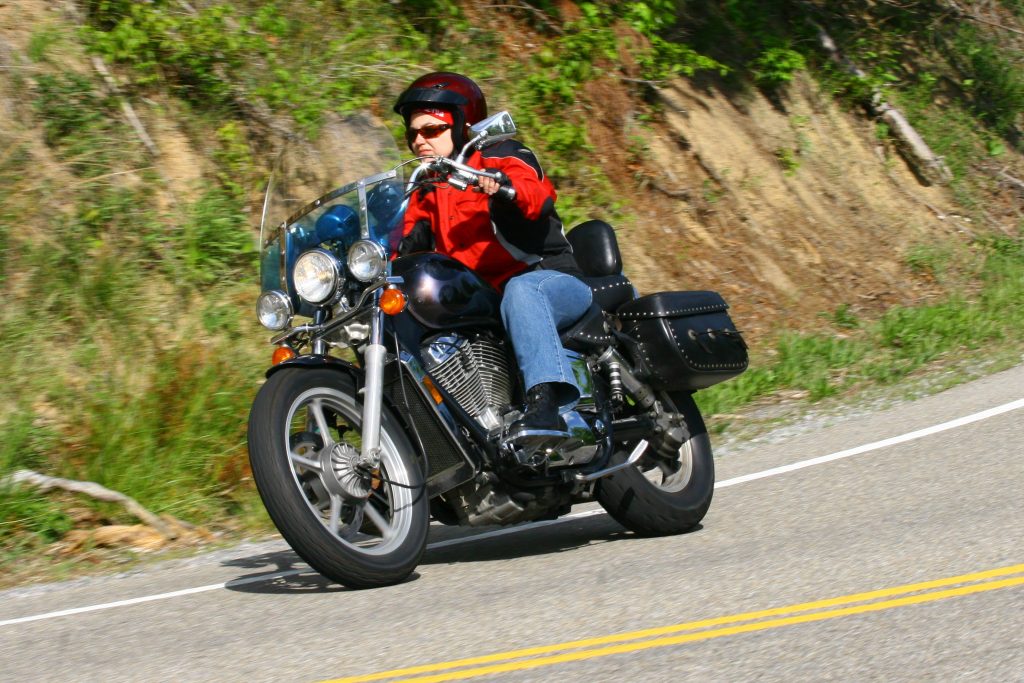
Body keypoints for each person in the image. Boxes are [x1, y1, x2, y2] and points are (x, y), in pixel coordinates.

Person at [393, 72, 593, 444]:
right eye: (413, 133)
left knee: (521, 290)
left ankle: (546, 407)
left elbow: (537, 195)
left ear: (460, 125)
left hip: (548, 279)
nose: (419, 139)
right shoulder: (425, 189)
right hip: (486, 300)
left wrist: (505, 187)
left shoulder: (500, 154)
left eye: (432, 130)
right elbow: (402, 244)